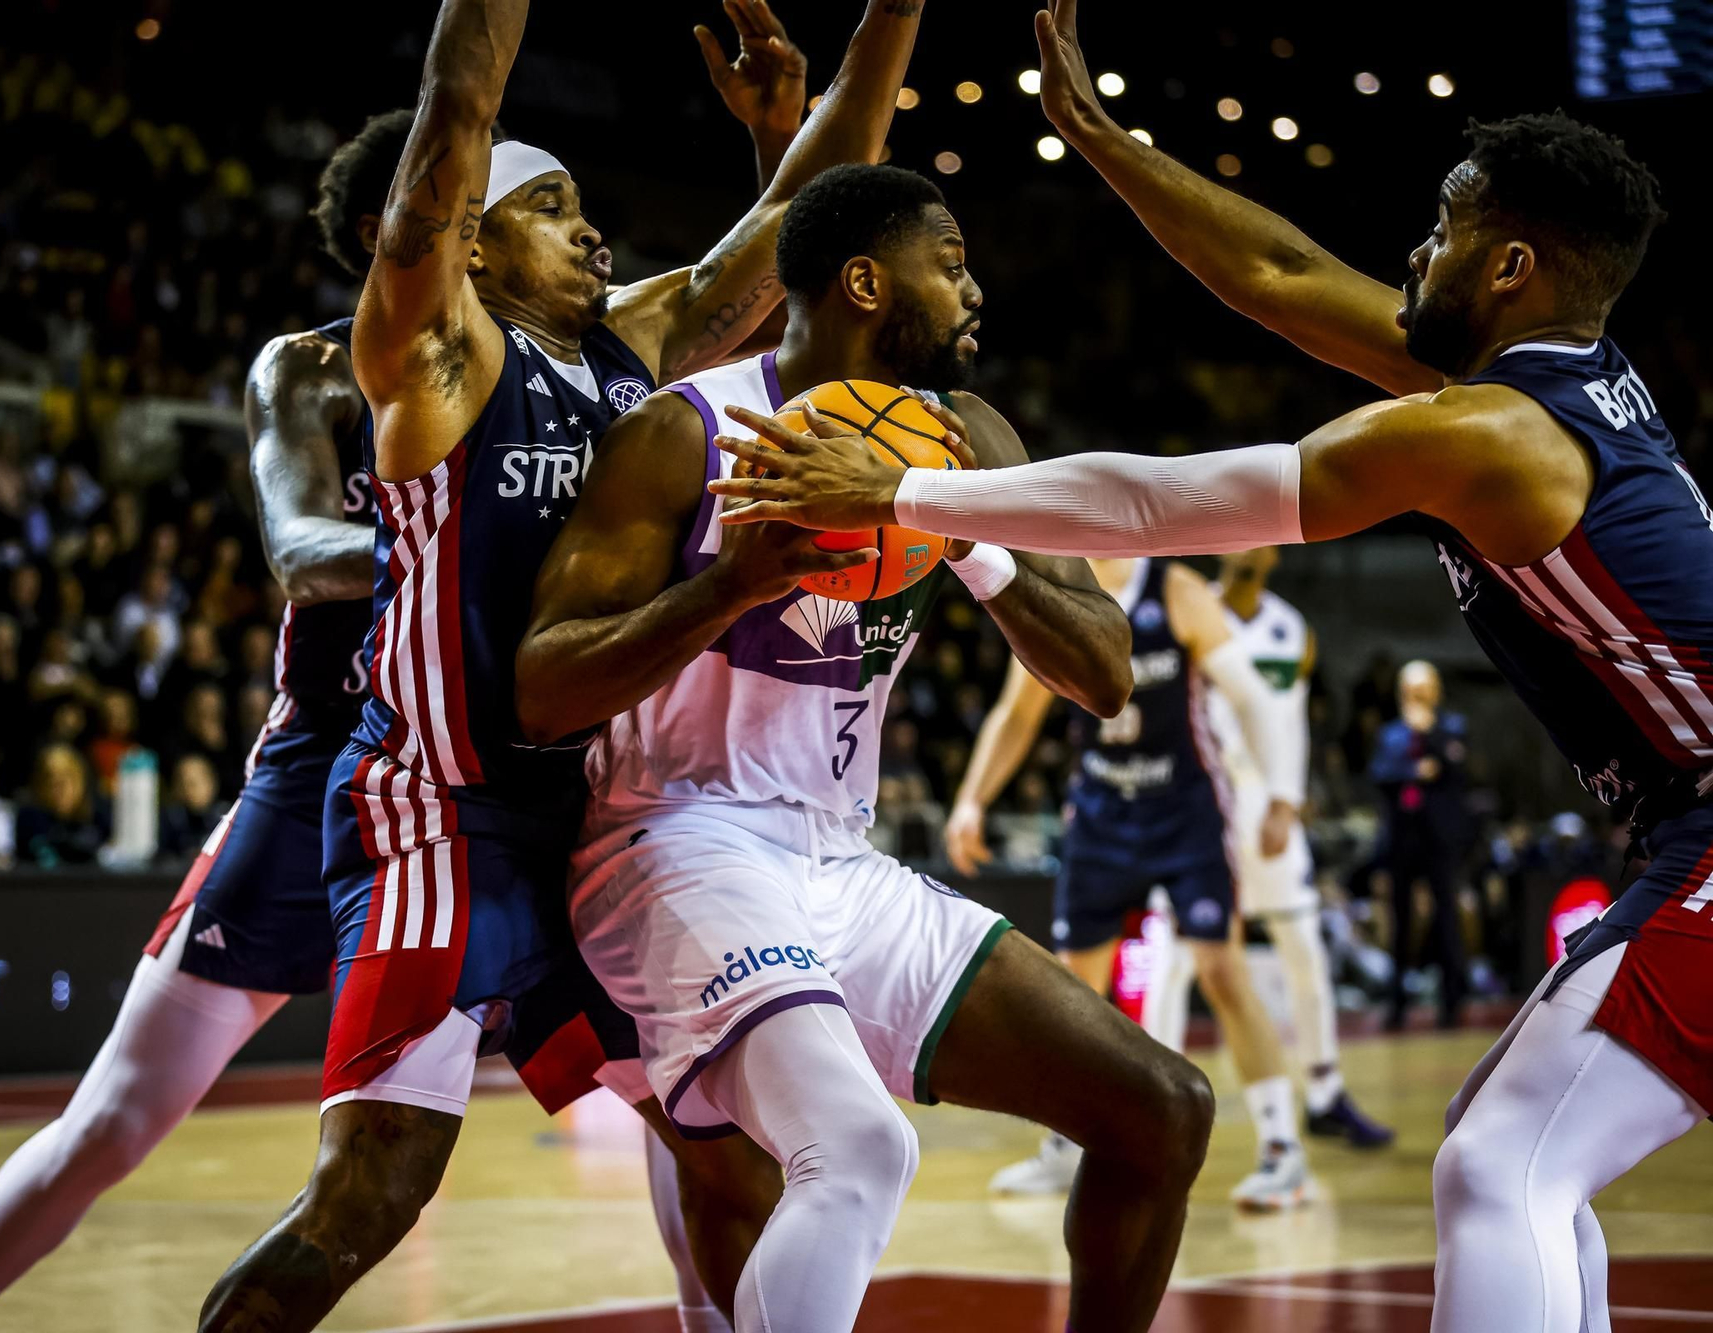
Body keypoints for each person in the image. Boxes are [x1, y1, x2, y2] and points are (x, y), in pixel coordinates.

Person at [706, 5, 1705, 1328]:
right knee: (1515, 1155)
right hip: (1681, 830)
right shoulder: (1539, 378)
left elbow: (1158, 506)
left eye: (1449, 225)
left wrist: (904, 494)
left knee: (1498, 1166)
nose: (1418, 245)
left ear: (1513, 263)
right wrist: (1106, 141)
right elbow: (1283, 276)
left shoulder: (1497, 436)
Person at [197, 2, 930, 1329]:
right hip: (442, 813)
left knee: (732, 1137)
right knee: (371, 1195)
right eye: (557, 205)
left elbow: (819, 206)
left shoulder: (630, 350)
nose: (596, 229)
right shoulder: (431, 349)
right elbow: (453, 117)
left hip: (589, 823)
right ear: (472, 230)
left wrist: (890, 17)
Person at [521, 161, 1215, 1333]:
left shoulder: (965, 437)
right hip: (670, 842)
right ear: (862, 282)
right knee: (852, 1149)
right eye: (948, 266)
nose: (973, 290)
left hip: (833, 858)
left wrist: (946, 523)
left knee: (1162, 1104)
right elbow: (543, 689)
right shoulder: (681, 432)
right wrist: (724, 587)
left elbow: (1097, 671)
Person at [948, 555, 1315, 1210]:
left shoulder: (1173, 589)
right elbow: (1017, 711)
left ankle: (1283, 1149)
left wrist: (1283, 796)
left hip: (1185, 810)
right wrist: (972, 798)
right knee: (1072, 989)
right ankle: (1065, 1143)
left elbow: (1255, 698)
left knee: (1222, 970)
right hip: (1100, 811)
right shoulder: (1062, 593)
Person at [1116, 545, 1393, 1146]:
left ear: (1272, 551)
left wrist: (1287, 798)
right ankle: (1153, 1095)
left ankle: (1323, 1092)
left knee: (1305, 950)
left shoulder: (1292, 629)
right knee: (1174, 955)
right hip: (1199, 806)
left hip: (1268, 809)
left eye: (1256, 534)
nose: (1243, 543)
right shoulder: (1187, 606)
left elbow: (1289, 721)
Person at [1370, 659, 1472, 1030]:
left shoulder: (1451, 727)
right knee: (1400, 919)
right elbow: (1381, 774)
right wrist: (1416, 770)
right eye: (1410, 689)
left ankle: (1451, 1002)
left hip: (1439, 838)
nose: (1416, 696)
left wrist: (1427, 735)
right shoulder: (1391, 734)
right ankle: (1396, 1002)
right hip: (1402, 838)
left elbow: (1455, 768)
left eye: (1423, 688)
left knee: (1446, 916)